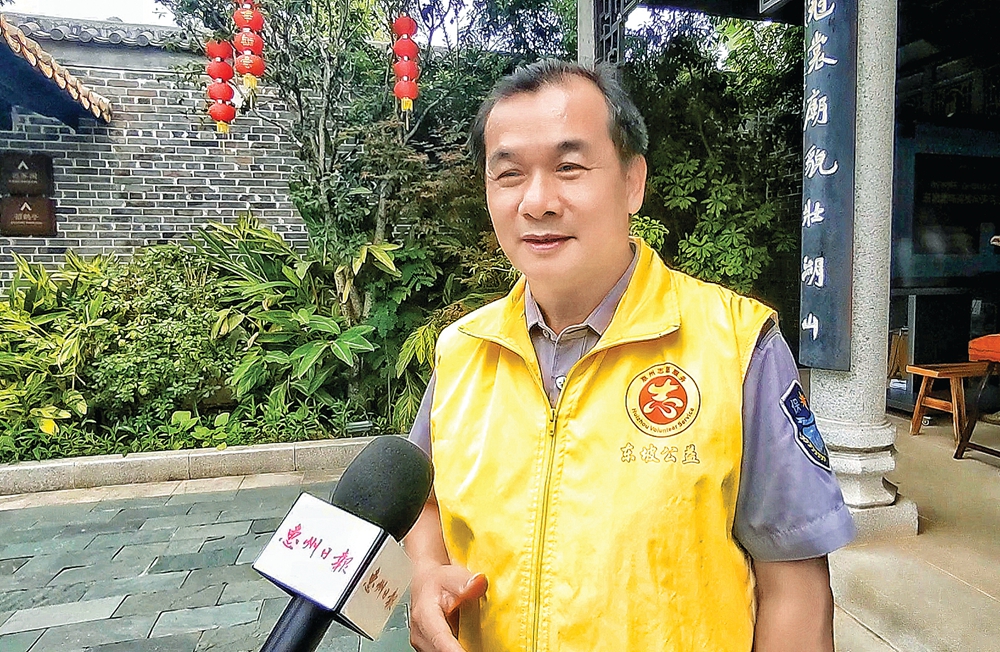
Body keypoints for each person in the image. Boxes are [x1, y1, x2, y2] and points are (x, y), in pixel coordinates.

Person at [404, 59, 855, 652]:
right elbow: (424, 500)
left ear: (632, 182)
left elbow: (795, 589)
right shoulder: (464, 350)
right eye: (509, 174)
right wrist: (425, 572)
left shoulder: (736, 345)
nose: (536, 202)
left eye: (569, 167)